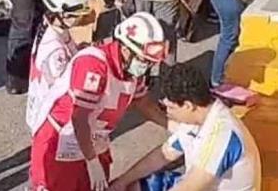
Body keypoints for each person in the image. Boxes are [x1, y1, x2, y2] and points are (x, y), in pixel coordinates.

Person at [29, 13, 170, 191]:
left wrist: (174, 126)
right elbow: (79, 118)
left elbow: (143, 103)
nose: (147, 67)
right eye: (144, 60)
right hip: (61, 142)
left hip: (94, 140)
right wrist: (92, 161)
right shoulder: (94, 64)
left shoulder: (132, 70)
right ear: (126, 49)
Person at [109, 63, 261, 191]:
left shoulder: (222, 135)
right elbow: (164, 154)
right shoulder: (199, 119)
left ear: (188, 106)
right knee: (133, 186)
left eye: (170, 108)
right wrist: (122, 181)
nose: (167, 113)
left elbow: (190, 186)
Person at [26, 0, 92, 134]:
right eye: (77, 15)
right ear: (63, 15)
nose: (80, 18)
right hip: (53, 120)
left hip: (39, 107)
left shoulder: (51, 27)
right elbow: (67, 88)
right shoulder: (55, 52)